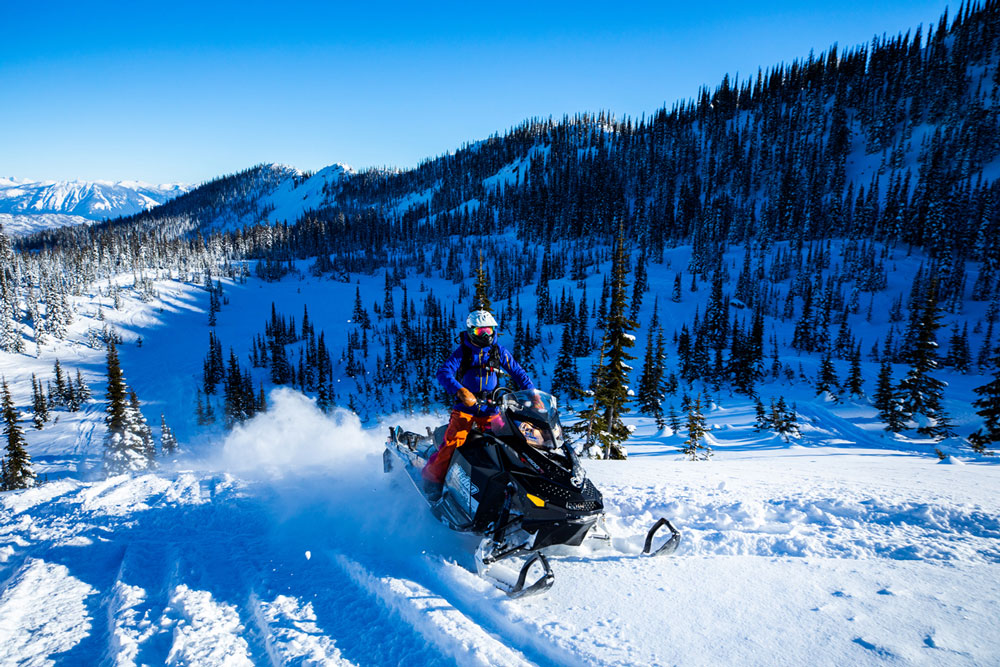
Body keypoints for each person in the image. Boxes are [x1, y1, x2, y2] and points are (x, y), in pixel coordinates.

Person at [421, 309, 535, 500]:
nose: (485, 336)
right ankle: (432, 480)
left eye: (489, 331)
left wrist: (532, 394)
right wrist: (460, 390)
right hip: (466, 408)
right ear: (470, 331)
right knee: (453, 442)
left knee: (509, 442)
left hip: (491, 407)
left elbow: (518, 372)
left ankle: (515, 486)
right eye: (479, 332)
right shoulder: (463, 352)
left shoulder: (499, 351)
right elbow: (443, 373)